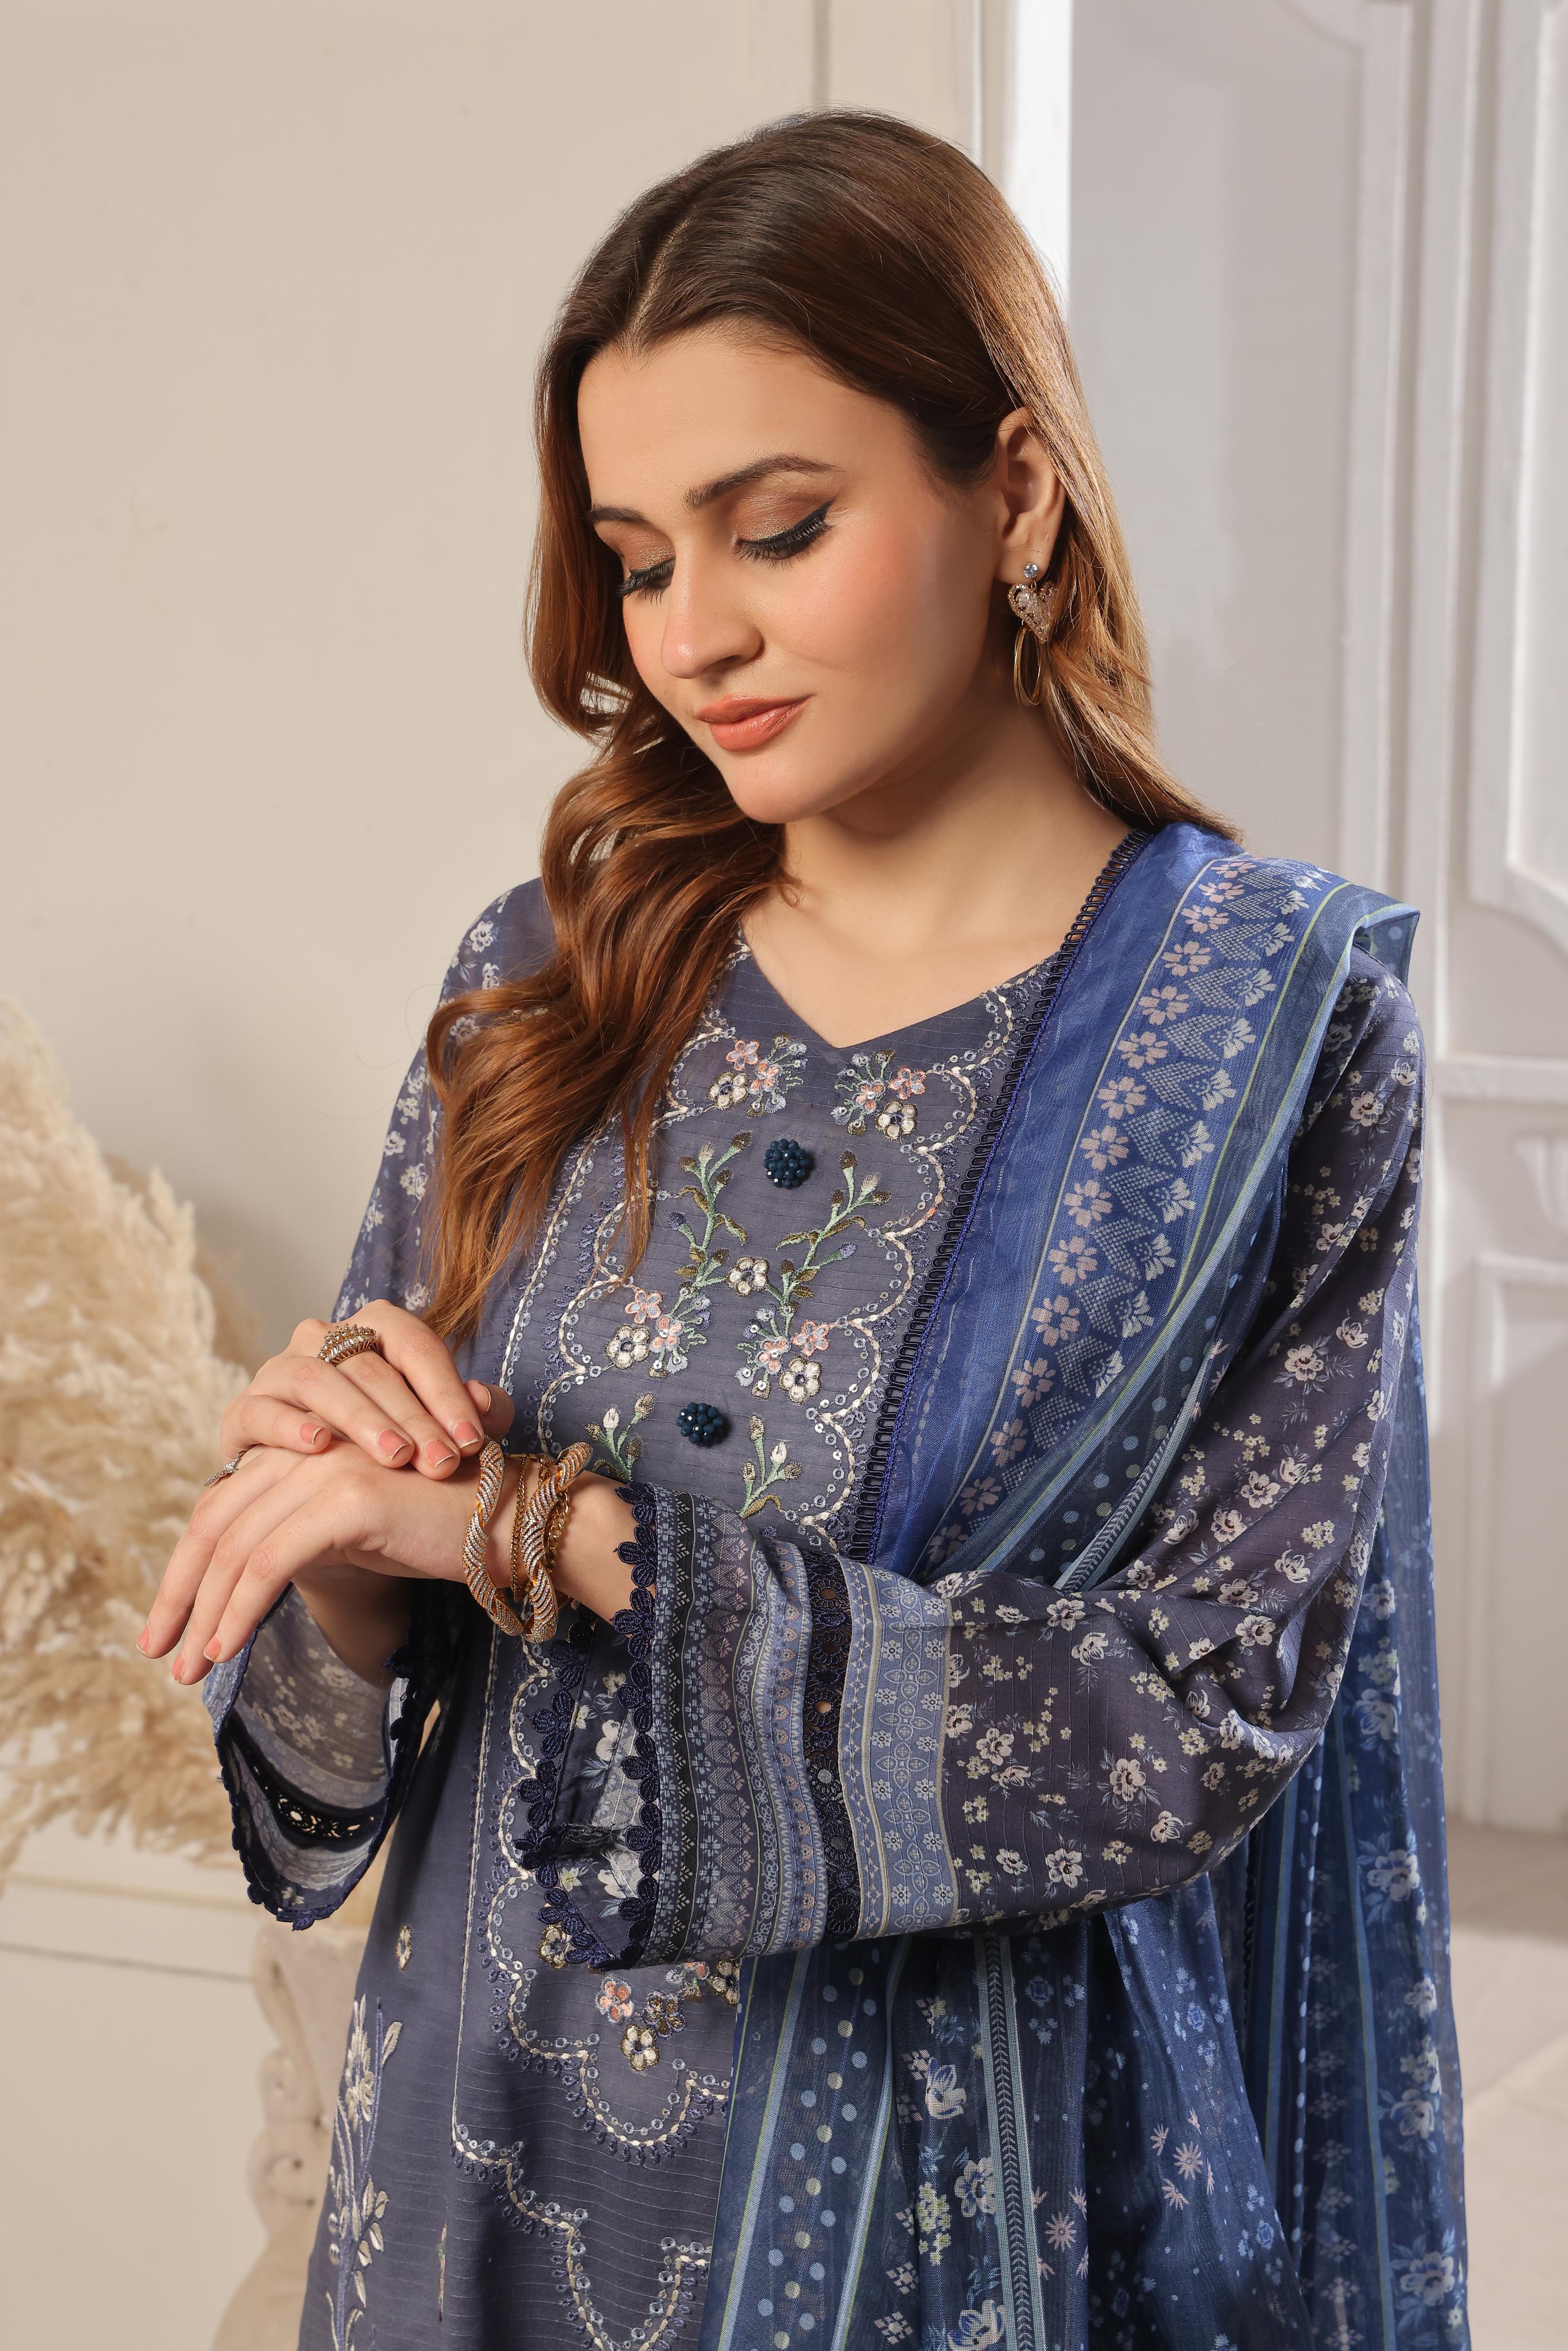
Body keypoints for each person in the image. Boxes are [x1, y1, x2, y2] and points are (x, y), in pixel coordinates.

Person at [143, 111, 1466, 2351]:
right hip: (479, 2153)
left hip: (956, 2215)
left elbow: (1191, 1717)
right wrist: (346, 1553)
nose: (696, 636)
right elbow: (340, 1721)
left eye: (777, 529)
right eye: (635, 559)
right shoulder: (546, 985)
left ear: (1013, 490)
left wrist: (548, 1533)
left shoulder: (1271, 1025)